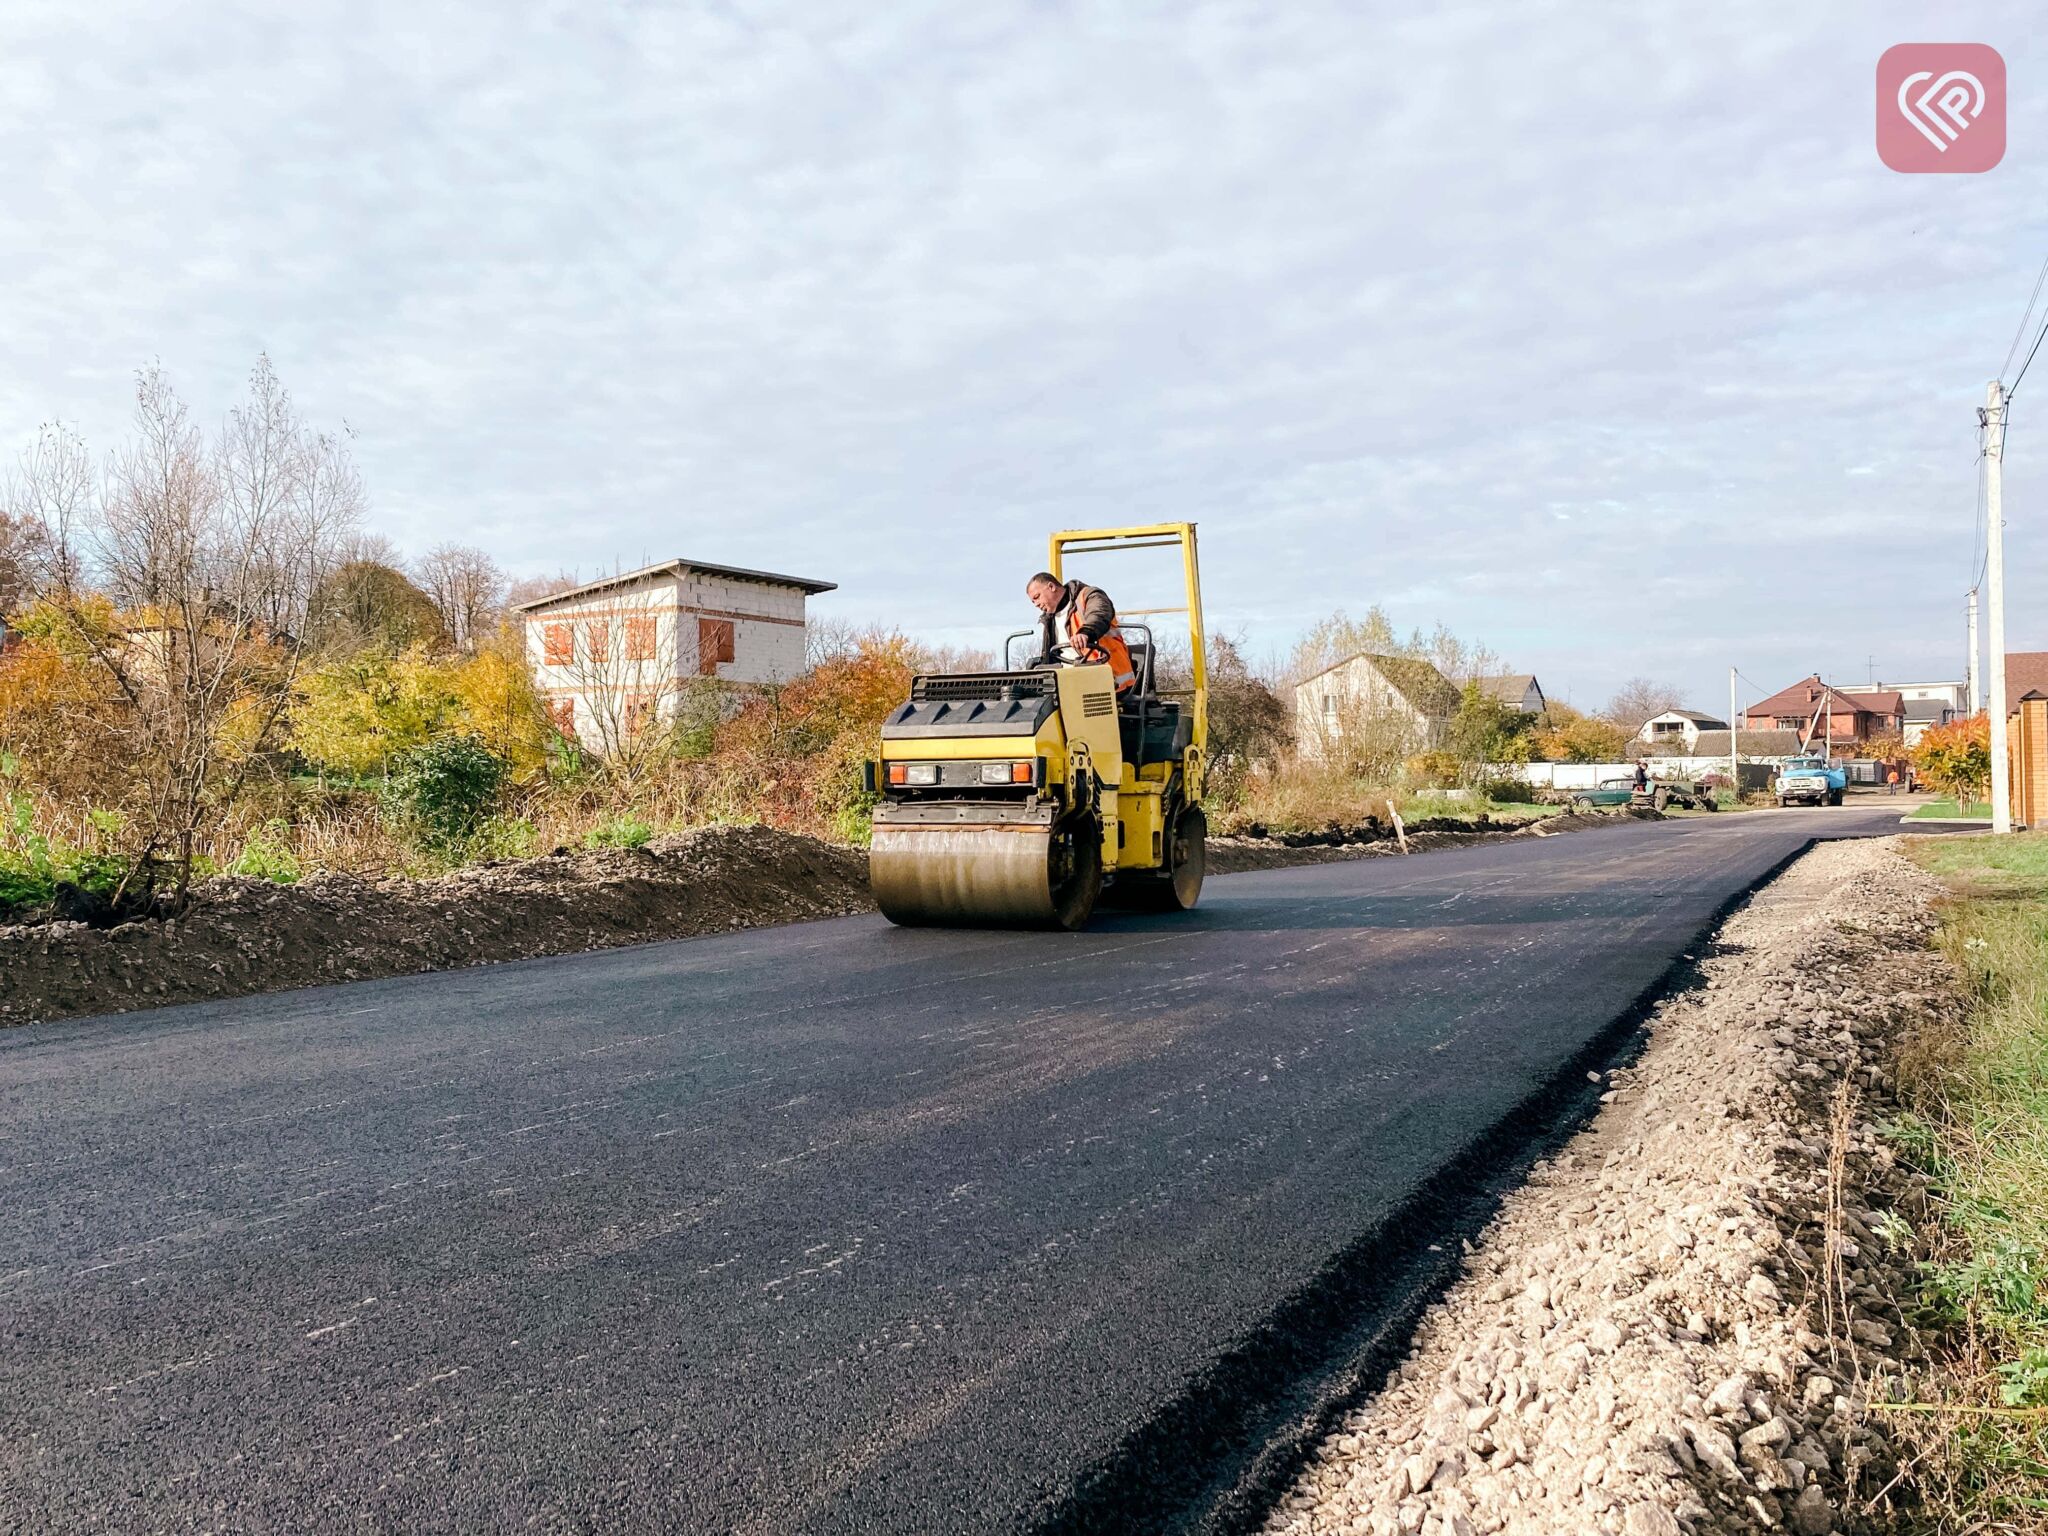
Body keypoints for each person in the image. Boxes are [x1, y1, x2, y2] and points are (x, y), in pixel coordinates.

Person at [1026, 571, 1137, 693]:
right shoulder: (1049, 619)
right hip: (1067, 680)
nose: (1036, 604)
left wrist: (1086, 632)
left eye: (1037, 597)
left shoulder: (1089, 596)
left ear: (1051, 587)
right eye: (1033, 602)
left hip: (1106, 677)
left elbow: (1099, 613)